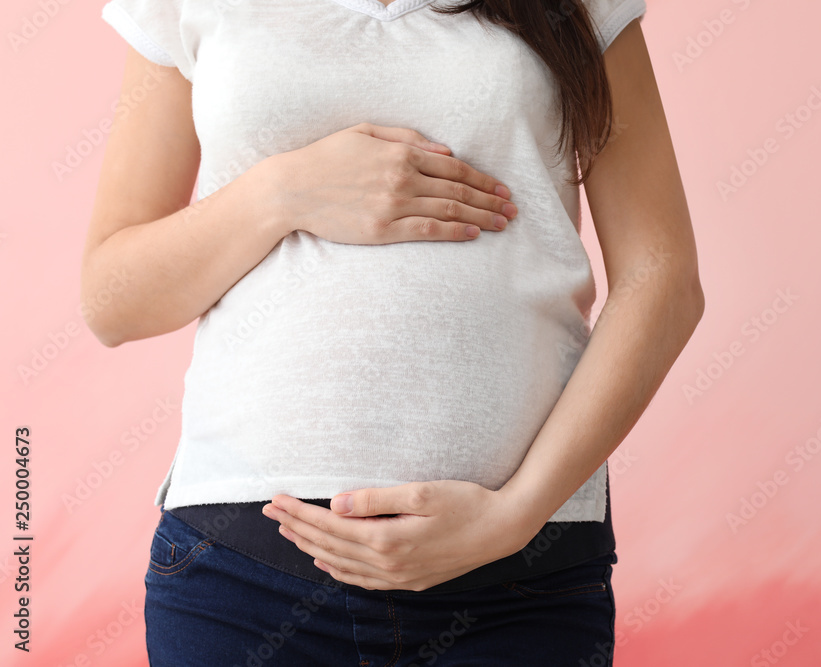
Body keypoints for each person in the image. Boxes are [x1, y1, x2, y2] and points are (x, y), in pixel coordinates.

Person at [82, 0, 704, 664]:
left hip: (519, 577)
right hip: (244, 575)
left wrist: (515, 513)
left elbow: (662, 279)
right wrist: (283, 192)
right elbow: (113, 299)